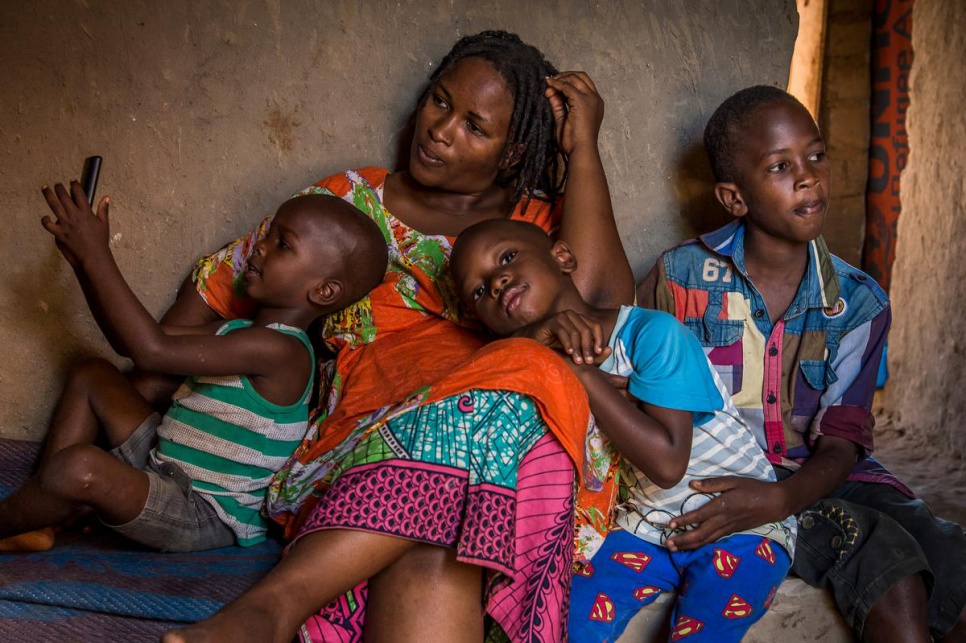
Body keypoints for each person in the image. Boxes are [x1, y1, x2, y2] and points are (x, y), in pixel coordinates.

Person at [158, 30, 633, 643]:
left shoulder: (533, 228)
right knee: (438, 540)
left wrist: (585, 150)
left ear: (513, 155)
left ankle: (271, 609)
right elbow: (205, 302)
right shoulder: (351, 207)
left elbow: (601, 314)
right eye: (440, 102)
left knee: (523, 370)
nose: (441, 130)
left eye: (475, 127)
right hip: (369, 449)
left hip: (513, 458)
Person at [637, 85, 966, 642]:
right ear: (734, 198)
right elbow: (635, 384)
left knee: (951, 553)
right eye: (780, 166)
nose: (808, 176)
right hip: (723, 478)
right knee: (887, 560)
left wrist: (783, 497)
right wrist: (765, 498)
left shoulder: (860, 302)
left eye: (815, 156)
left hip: (823, 474)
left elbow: (841, 444)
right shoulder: (679, 278)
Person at [450, 217, 795, 642]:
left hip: (738, 519)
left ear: (561, 257)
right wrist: (537, 351)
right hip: (645, 528)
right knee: (563, 624)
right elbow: (469, 391)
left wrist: (584, 376)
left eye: (507, 257)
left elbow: (668, 463)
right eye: (480, 290)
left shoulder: (652, 334)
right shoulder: (525, 368)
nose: (497, 282)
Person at [0, 187, 387, 554]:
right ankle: (44, 518)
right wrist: (84, 263)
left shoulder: (282, 351)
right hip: (163, 464)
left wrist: (96, 256)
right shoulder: (240, 332)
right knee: (92, 374)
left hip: (201, 511)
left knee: (81, 466)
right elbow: (133, 341)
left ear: (324, 292)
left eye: (282, 244)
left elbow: (152, 351)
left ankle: (34, 510)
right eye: (267, 236)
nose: (260, 247)